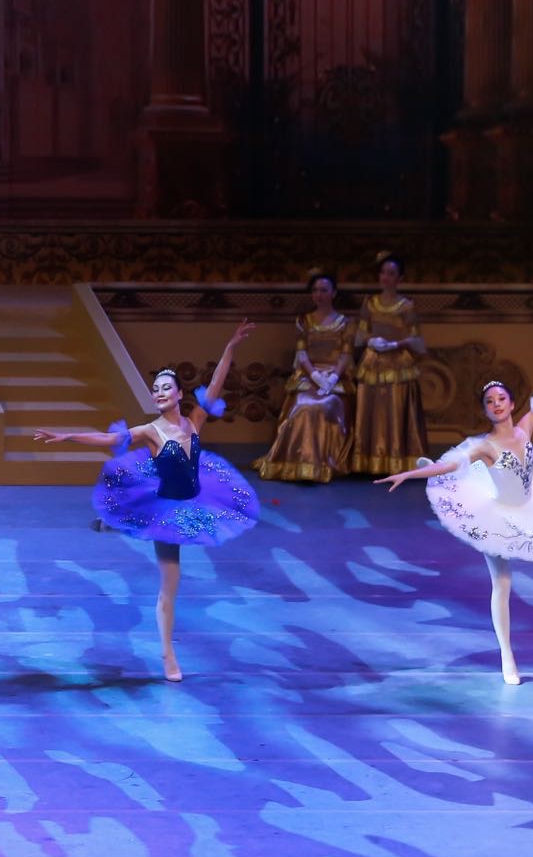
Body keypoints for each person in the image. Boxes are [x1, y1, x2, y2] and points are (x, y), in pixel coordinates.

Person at [35, 321, 260, 682]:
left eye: (165, 387)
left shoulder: (195, 421)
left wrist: (230, 347)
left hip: (197, 500)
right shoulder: (150, 431)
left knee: (174, 574)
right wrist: (67, 436)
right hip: (166, 511)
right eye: (155, 389)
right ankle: (168, 654)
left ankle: (115, 525)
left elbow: (217, 382)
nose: (159, 393)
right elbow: (108, 439)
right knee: (170, 584)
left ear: (179, 392)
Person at [376, 324, 533, 685]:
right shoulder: (485, 446)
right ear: (486, 411)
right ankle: (507, 655)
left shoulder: (526, 427)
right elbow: (451, 465)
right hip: (495, 517)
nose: (496, 404)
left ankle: (507, 653)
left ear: (512, 403)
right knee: (502, 582)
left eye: (501, 398)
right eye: (489, 402)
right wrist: (409, 474)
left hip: (530, 506)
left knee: (509, 575)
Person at [255, 270, 356, 483]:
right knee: (303, 407)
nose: (319, 294)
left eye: (324, 290)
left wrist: (332, 379)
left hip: (335, 379)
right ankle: (296, 463)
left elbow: (345, 355)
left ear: (334, 293)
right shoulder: (304, 321)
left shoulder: (345, 323)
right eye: (315, 290)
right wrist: (315, 376)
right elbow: (301, 354)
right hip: (309, 377)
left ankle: (322, 464)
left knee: (323, 406)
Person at [350, 252, 429, 476]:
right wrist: (371, 340)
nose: (386, 277)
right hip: (373, 362)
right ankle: (368, 462)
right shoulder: (370, 303)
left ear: (400, 278)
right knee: (372, 411)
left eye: (391, 273)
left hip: (398, 363)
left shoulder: (407, 306)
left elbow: (415, 338)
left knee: (395, 410)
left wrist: (396, 343)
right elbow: (361, 333)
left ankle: (397, 461)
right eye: (383, 273)